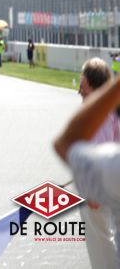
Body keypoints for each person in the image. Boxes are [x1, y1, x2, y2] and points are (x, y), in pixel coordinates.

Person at [69, 58, 120, 267]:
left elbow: (99, 147)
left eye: (82, 79)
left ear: (89, 81)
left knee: (99, 240)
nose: (80, 85)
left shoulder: (96, 111)